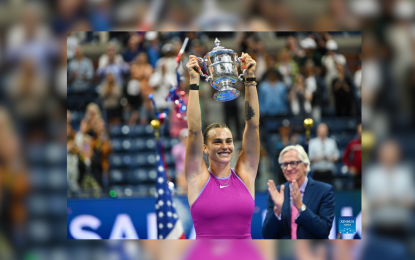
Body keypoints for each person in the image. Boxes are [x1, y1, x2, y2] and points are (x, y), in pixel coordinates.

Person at [185, 53, 260, 239]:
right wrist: (194, 82)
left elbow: (253, 126)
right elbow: (194, 130)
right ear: (205, 148)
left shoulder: (246, 174)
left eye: (228, 141)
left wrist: (250, 78)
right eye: (217, 141)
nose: (224, 146)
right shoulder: (197, 177)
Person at [262, 145, 335, 239]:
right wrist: (277, 210)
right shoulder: (277, 193)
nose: (288, 168)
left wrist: (300, 206)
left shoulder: (324, 191)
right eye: (284, 164)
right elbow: (267, 235)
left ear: (305, 166)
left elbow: (324, 230)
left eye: (293, 163)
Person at [343, 123, 362, 189]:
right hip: (357, 174)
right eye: (359, 131)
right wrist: (350, 167)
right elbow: (345, 156)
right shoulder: (353, 143)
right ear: (357, 131)